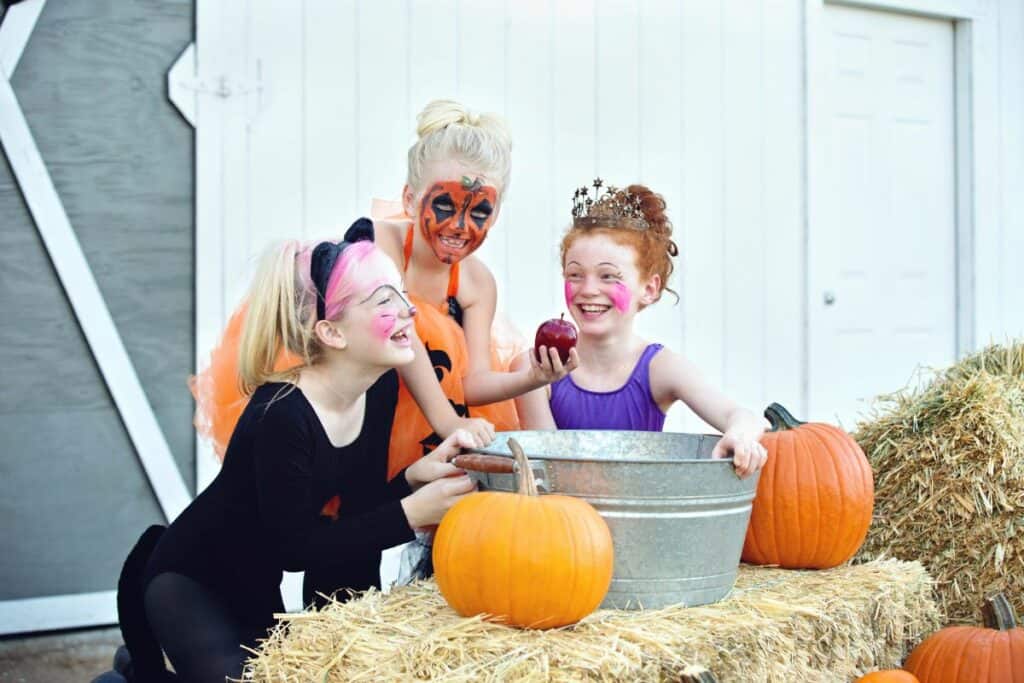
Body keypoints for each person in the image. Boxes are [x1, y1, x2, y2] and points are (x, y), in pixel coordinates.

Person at [95, 221, 479, 683]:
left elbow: (354, 518)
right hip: (192, 580)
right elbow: (296, 547)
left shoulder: (376, 392)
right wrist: (411, 512)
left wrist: (412, 479)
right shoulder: (282, 415)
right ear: (332, 333)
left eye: (402, 293)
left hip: (255, 583)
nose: (409, 311)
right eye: (384, 301)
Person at [514, 181, 769, 478]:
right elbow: (551, 477)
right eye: (575, 274)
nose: (588, 289)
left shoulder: (658, 368)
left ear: (648, 288)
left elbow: (740, 416)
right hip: (560, 520)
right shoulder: (537, 370)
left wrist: (740, 433)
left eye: (608, 276)